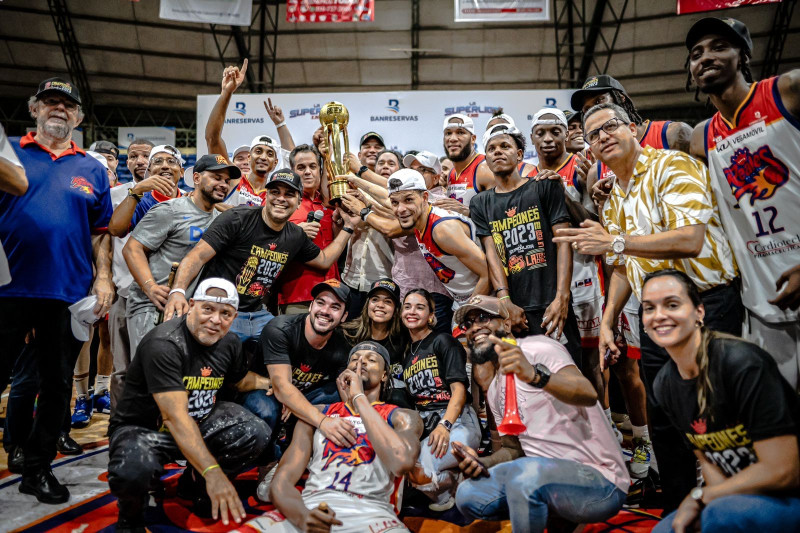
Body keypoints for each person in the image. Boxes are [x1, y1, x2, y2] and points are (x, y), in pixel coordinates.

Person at [553, 102, 742, 511]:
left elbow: (690, 238)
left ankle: (738, 508)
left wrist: (614, 242)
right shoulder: (615, 193)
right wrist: (607, 322)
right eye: (593, 135)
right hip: (654, 314)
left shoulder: (672, 165)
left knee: (720, 412)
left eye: (611, 126)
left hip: (708, 304)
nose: (603, 137)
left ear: (635, 130)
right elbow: (623, 267)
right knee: (663, 415)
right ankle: (679, 509)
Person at [0, 77, 113, 503]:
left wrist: (103, 277)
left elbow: (101, 233)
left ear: (78, 117)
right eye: (49, 102)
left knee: (57, 385)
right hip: (7, 290)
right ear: (34, 109)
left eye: (66, 105)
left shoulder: (92, 168)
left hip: (64, 295)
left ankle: (37, 467)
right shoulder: (7, 151)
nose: (58, 110)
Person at [686, 17, 800, 388]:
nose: (705, 57)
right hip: (761, 299)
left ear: (744, 55)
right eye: (696, 53)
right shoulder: (702, 137)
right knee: (779, 416)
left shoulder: (788, 91)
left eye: (719, 46)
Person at [640, 270, 800, 532]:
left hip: (787, 495)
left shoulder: (741, 363)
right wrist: (709, 498)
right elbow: (708, 461)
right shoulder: (665, 384)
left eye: (672, 304)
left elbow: (783, 470)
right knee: (664, 530)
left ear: (699, 312)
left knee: (722, 516)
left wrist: (702, 498)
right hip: (740, 497)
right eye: (649, 308)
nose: (659, 315)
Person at [107, 278, 272, 531]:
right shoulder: (164, 343)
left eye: (225, 313)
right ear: (191, 305)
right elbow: (174, 417)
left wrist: (274, 384)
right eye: (208, 309)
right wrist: (213, 471)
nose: (216, 320)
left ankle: (194, 485)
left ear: (234, 317)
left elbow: (239, 382)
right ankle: (130, 517)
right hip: (148, 430)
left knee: (255, 431)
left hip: (199, 423)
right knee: (133, 467)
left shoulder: (228, 343)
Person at [453, 295, 629, 532]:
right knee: (468, 493)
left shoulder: (538, 348)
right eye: (468, 324)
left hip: (599, 479)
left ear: (506, 324)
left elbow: (588, 393)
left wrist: (535, 375)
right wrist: (481, 462)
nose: (474, 328)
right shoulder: (495, 389)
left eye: (483, 318)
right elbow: (513, 450)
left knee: (526, 475)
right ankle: (559, 518)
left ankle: (561, 517)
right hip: (542, 476)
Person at [242, 342, 423, 533]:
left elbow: (401, 461)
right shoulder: (318, 413)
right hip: (314, 506)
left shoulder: (403, 416)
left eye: (371, 360)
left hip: (372, 513)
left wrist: (358, 398)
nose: (360, 362)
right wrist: (301, 515)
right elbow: (281, 483)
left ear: (385, 375)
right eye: (354, 359)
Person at [163, 169, 358, 343]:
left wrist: (348, 227)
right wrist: (177, 291)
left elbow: (323, 260)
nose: (281, 198)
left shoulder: (295, 235)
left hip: (257, 315)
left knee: (286, 342)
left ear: (299, 202)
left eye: (289, 194)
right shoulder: (238, 218)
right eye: (275, 192)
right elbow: (196, 257)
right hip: (220, 309)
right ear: (266, 196)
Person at [470, 124, 581, 365]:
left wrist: (562, 296)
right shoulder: (480, 203)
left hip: (552, 302)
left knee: (569, 370)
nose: (498, 152)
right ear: (485, 159)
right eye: (491, 149)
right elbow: (493, 253)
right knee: (527, 380)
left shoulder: (544, 185)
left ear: (519, 154)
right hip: (516, 308)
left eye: (505, 146)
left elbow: (564, 242)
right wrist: (504, 301)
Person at [123, 155, 238, 356]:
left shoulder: (220, 221)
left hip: (187, 309)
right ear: (196, 178)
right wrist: (148, 286)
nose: (223, 184)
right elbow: (132, 248)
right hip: (151, 305)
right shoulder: (171, 210)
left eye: (227, 181)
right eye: (217, 177)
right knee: (148, 374)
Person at [346, 152, 456, 332]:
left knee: (433, 348)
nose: (415, 175)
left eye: (422, 170)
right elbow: (389, 208)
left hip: (433, 293)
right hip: (405, 288)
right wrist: (367, 202)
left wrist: (360, 179)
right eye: (412, 170)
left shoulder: (439, 203)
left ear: (436, 178)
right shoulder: (404, 204)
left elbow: (391, 228)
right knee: (409, 349)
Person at [401, 289, 481, 510]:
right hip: (429, 427)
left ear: (431, 314)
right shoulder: (408, 355)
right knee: (403, 464)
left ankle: (455, 482)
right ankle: (449, 487)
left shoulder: (443, 341)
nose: (412, 311)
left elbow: (459, 391)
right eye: (407, 306)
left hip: (456, 422)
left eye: (419, 307)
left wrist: (445, 425)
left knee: (418, 469)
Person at [388, 169, 490, 309]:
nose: (401, 209)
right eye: (394, 202)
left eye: (408, 200)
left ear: (424, 197)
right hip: (463, 300)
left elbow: (488, 273)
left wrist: (468, 313)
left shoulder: (443, 229)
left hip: (483, 298)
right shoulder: (419, 219)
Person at [205, 60, 295, 207]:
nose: (263, 157)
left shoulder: (277, 194)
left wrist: (280, 124)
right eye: (258, 151)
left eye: (270, 154)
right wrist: (226, 93)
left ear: (276, 163)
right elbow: (212, 138)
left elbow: (294, 161)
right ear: (249, 157)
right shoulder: (234, 179)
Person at [109, 139, 154, 410]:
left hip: (161, 293)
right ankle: (120, 425)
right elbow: (108, 236)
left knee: (158, 367)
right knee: (122, 368)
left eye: (146, 155)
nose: (140, 161)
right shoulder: (116, 194)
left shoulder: (181, 197)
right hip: (124, 290)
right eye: (133, 156)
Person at [276, 144, 340, 314]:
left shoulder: (329, 204)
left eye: (312, 166)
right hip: (297, 296)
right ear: (292, 170)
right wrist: (295, 231)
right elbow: (266, 239)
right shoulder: (281, 202)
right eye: (301, 167)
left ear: (319, 169)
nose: (307, 172)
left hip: (332, 293)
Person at [342, 278, 411, 408]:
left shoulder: (404, 336)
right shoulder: (349, 332)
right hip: (351, 391)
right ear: (367, 304)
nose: (380, 305)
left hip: (387, 394)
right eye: (375, 299)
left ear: (396, 309)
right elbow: (341, 377)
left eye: (388, 301)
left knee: (398, 396)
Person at [107, 144, 185, 237]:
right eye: (158, 161)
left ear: (181, 172)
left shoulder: (190, 201)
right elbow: (116, 231)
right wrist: (136, 190)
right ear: (149, 171)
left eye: (172, 161)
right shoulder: (140, 201)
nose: (165, 166)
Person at [441, 114, 495, 215]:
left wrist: (469, 212)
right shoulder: (451, 173)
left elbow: (500, 215)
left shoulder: (485, 168)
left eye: (460, 132)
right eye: (448, 133)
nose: (452, 138)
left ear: (473, 139)